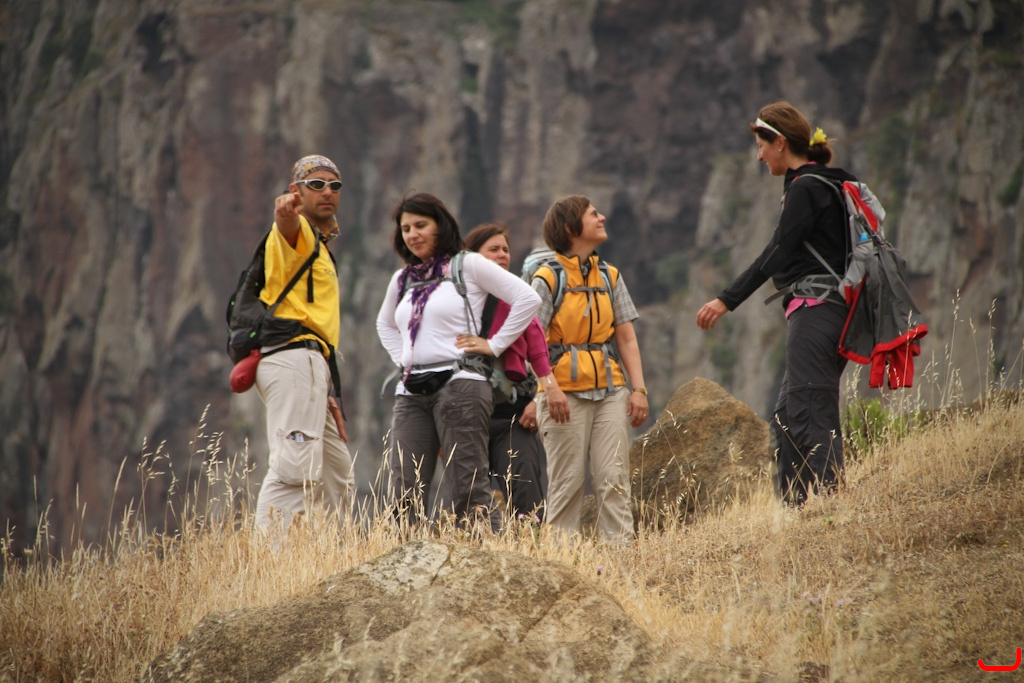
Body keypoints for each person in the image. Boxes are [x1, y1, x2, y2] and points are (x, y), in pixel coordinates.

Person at [696, 101, 851, 506]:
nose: (759, 156)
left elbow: (777, 252)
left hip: (818, 311)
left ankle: (831, 507)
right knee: (786, 417)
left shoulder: (806, 187)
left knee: (812, 410)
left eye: (761, 146)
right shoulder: (821, 183)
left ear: (780, 142)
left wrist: (725, 300)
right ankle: (796, 511)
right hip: (825, 311)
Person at [375, 193, 541, 532]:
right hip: (411, 391)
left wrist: (493, 345)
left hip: (461, 385)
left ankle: (483, 555)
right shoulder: (403, 278)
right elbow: (385, 324)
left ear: (441, 226)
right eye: (406, 229)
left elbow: (527, 298)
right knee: (404, 488)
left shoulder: (468, 265)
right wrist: (404, 359)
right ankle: (406, 558)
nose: (412, 234)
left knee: (468, 487)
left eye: (421, 225)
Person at [529, 195, 649, 544]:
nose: (603, 218)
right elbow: (531, 340)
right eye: (593, 214)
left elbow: (626, 338)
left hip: (611, 391)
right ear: (570, 228)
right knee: (567, 483)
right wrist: (550, 388)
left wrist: (639, 390)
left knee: (614, 478)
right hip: (562, 395)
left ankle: (620, 559)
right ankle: (561, 561)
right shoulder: (547, 278)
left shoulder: (610, 276)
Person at [254, 154, 355, 530]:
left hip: (310, 364)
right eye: (316, 184)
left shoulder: (319, 245)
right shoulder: (297, 233)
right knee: (293, 468)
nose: (327, 191)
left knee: (335, 473)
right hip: (293, 356)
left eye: (334, 185)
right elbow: (286, 224)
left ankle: (336, 555)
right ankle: (267, 558)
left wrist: (322, 385)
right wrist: (285, 213)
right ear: (296, 191)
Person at [457, 222, 569, 522]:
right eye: (493, 249)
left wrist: (544, 395)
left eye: (505, 250)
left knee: (527, 498)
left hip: (513, 417)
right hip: (467, 415)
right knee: (471, 502)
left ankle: (530, 545)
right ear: (472, 258)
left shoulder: (517, 299)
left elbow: (538, 349)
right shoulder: (456, 301)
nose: (502, 255)